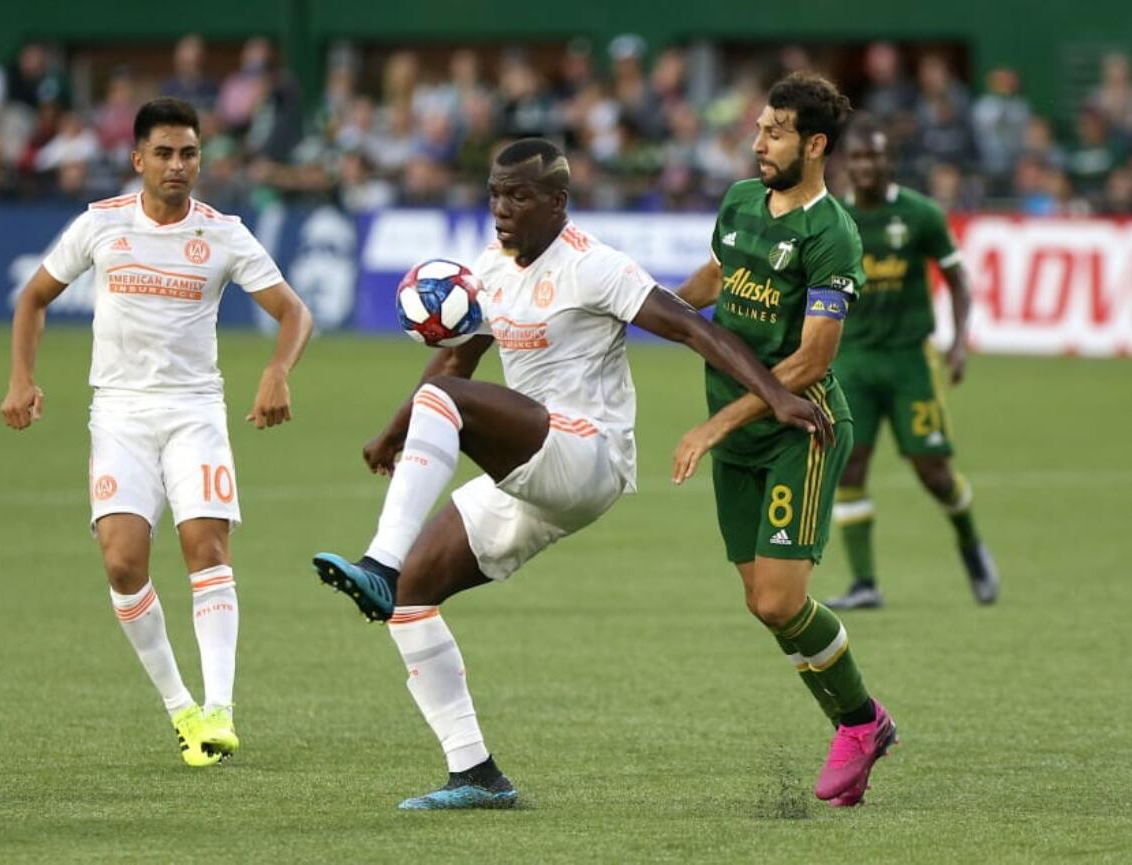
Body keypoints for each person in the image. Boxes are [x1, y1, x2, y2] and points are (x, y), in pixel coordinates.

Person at [312, 137, 831, 810]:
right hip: (529, 474)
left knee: (436, 432)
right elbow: (458, 361)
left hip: (590, 454)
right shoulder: (489, 271)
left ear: (557, 201)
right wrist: (392, 428)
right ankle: (475, 773)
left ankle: (377, 561)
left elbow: (692, 329)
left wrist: (776, 393)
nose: (503, 208)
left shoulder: (594, 266)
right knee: (412, 596)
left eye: (520, 195)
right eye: (496, 193)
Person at [0, 98, 312, 766]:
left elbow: (294, 312)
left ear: (202, 159)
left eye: (189, 153)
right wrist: (20, 378)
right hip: (119, 411)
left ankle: (221, 711)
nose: (177, 165)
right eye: (164, 153)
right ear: (138, 159)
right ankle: (181, 708)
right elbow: (33, 298)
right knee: (121, 561)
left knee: (206, 546)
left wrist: (277, 371)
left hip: (195, 408)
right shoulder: (102, 225)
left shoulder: (223, 234)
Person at [670, 72, 895, 808]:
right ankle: (857, 723)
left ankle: (860, 722)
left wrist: (716, 422)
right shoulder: (739, 202)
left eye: (774, 132)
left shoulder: (833, 234)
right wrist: (639, 306)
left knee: (776, 599)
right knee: (763, 602)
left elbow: (811, 362)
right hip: (738, 433)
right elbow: (714, 276)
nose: (757, 141)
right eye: (759, 128)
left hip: (801, 428)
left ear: (816, 144)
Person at [824, 117, 999, 610]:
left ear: (889, 162)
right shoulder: (834, 218)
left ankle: (969, 541)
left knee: (933, 472)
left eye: (875, 157)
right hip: (853, 361)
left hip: (909, 362)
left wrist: (959, 343)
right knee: (850, 466)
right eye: (857, 158)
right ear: (846, 165)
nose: (866, 166)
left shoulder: (920, 214)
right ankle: (864, 583)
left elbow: (959, 280)